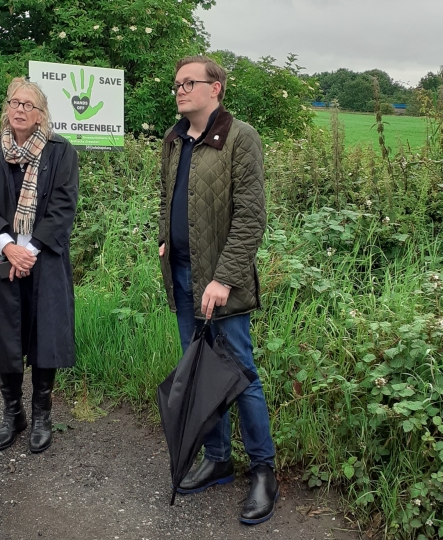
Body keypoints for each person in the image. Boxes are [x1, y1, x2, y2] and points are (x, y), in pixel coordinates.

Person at [158, 56, 278, 524]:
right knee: (200, 370)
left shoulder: (239, 137)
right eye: (177, 84)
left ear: (217, 89)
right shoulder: (173, 139)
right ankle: (217, 459)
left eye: (190, 83)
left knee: (239, 372)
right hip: (182, 275)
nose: (181, 90)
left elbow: (251, 217)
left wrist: (223, 278)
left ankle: (263, 470)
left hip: (220, 282)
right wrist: (165, 239)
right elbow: (165, 196)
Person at [0, 77, 79, 454]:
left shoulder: (61, 152)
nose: (19, 109)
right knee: (6, 336)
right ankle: (12, 413)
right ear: (6, 108)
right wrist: (7, 247)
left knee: (44, 336)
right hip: (3, 260)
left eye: (28, 105)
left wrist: (28, 250)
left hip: (44, 258)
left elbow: (64, 207)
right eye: (14, 102)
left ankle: (43, 415)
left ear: (41, 114)